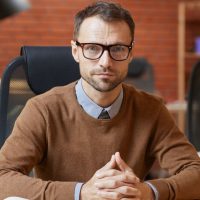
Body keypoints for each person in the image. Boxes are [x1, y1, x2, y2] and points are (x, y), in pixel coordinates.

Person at [0, 1, 200, 200]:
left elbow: (195, 172)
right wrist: (80, 193)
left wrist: (150, 191)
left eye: (118, 49)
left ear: (130, 53)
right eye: (93, 48)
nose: (105, 62)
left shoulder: (152, 109)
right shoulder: (42, 110)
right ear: (76, 51)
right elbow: (3, 177)